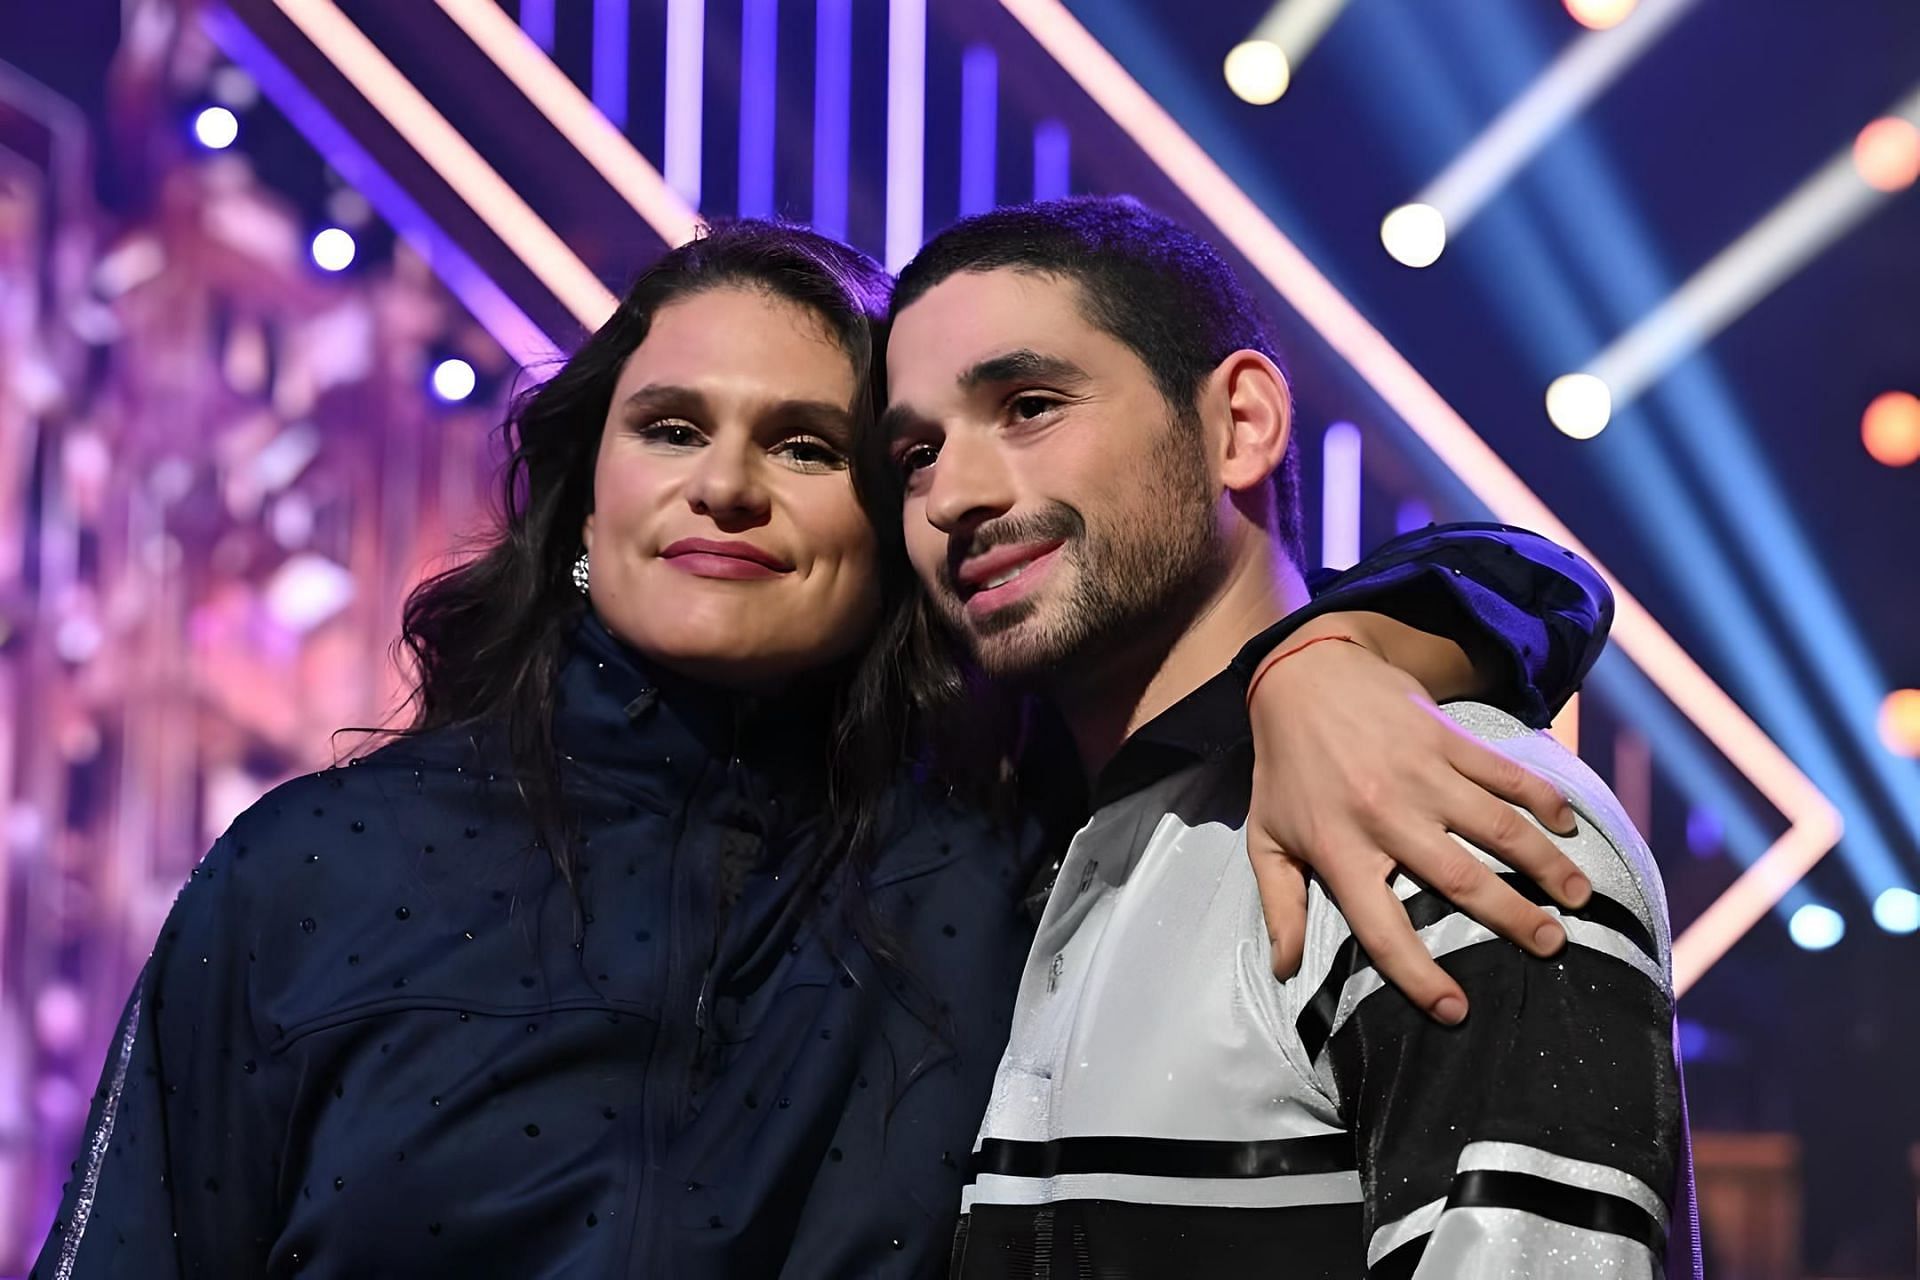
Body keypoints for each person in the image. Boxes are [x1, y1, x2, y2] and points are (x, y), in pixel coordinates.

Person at [33, 221, 1609, 1280]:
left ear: (889, 532)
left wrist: (1334, 659)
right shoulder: (315, 873)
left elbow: (1537, 576)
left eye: (809, 446)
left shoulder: (1008, 858)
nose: (725, 486)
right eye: (668, 429)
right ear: (586, 497)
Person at [883, 198, 1700, 1278]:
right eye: (915, 454)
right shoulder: (1022, 846)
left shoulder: (1447, 807)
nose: (955, 494)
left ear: (1242, 425)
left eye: (1030, 405)